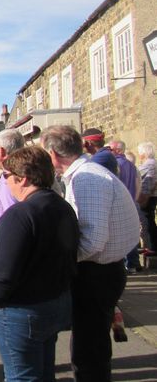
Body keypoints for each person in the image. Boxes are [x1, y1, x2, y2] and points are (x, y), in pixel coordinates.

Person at [40, 125, 140, 381]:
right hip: (101, 270)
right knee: (90, 346)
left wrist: (56, 263)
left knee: (89, 352)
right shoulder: (85, 174)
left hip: (98, 273)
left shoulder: (86, 178)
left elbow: (93, 242)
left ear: (52, 154)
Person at [0, 146, 80, 381]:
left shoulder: (21, 214)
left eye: (6, 177)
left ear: (22, 179)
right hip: (54, 302)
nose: (5, 182)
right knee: (44, 373)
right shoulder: (63, 207)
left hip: (22, 309)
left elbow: (3, 273)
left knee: (21, 376)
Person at [0, 129, 26, 240]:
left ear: (1, 151)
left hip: (3, 239)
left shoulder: (10, 177)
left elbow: (13, 214)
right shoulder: (20, 172)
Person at [110, 141, 143, 273]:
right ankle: (133, 263)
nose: (108, 151)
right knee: (131, 234)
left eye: (110, 149)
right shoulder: (131, 165)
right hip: (131, 202)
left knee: (120, 234)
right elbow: (137, 184)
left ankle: (126, 264)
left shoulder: (115, 164)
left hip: (120, 202)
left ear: (118, 150)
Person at [137, 142, 157, 251]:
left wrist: (143, 198)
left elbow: (147, 182)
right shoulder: (153, 163)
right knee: (150, 219)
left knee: (148, 221)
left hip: (148, 196)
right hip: (152, 195)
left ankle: (152, 247)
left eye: (140, 152)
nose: (139, 154)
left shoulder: (148, 164)